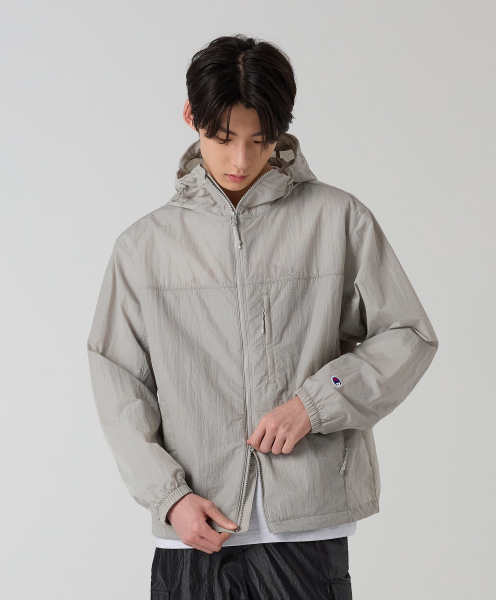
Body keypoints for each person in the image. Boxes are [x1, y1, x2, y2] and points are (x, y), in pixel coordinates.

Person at [87, 35, 438, 600]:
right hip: (194, 531)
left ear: (281, 129)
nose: (241, 160)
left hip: (306, 531)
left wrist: (315, 403)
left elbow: (407, 336)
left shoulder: (337, 219)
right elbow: (118, 382)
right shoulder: (144, 247)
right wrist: (168, 497)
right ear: (191, 118)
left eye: (259, 140)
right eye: (222, 138)